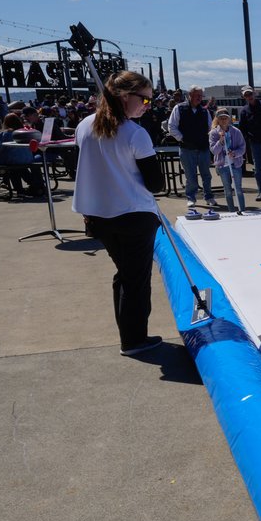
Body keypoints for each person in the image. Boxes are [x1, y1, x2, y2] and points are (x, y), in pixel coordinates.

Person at [71, 70, 167, 357]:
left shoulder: (84, 126)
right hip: (133, 215)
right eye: (145, 100)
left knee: (125, 275)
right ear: (126, 97)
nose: (146, 106)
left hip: (100, 216)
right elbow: (156, 184)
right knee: (136, 280)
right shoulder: (135, 133)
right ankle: (134, 339)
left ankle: (129, 334)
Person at [166, 85, 216, 207]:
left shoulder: (205, 111)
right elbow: (171, 126)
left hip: (203, 148)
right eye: (197, 95)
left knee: (206, 175)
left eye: (201, 95)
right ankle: (191, 198)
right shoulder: (179, 108)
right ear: (190, 95)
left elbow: (211, 128)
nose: (199, 98)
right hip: (186, 148)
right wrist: (182, 139)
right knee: (190, 176)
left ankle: (209, 196)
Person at [0, 113, 45, 197]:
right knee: (21, 169)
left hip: (11, 160)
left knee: (13, 169)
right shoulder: (25, 131)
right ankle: (36, 186)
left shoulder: (5, 133)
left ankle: (19, 189)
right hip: (27, 158)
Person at [209, 108, 247, 213]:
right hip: (222, 166)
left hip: (235, 164)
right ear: (218, 120)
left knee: (238, 189)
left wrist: (234, 153)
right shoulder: (213, 133)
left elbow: (242, 148)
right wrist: (220, 141)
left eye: (225, 118)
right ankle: (231, 211)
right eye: (221, 118)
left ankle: (242, 209)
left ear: (229, 119)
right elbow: (214, 151)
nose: (224, 120)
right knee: (228, 191)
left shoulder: (236, 131)